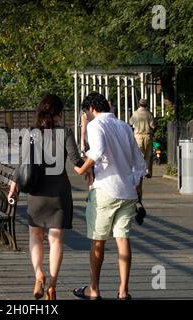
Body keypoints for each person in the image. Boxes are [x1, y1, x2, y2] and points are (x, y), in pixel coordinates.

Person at [8, 94, 85, 300]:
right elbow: (77, 161)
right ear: (59, 112)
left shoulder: (32, 133)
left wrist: (13, 186)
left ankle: (38, 274)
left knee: (35, 236)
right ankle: (52, 284)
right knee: (56, 240)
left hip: (37, 193)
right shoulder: (66, 132)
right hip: (59, 192)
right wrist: (92, 167)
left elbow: (21, 164)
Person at [72, 93, 145, 300]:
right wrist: (138, 187)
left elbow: (97, 151)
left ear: (91, 109)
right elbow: (139, 162)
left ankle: (93, 289)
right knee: (123, 239)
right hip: (127, 190)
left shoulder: (96, 126)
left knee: (98, 240)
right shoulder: (124, 126)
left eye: (86, 112)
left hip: (105, 189)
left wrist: (82, 169)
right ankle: (123, 290)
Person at [129, 98, 155, 178]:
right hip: (147, 136)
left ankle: (139, 172)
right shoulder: (149, 114)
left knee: (139, 155)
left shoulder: (135, 113)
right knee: (148, 155)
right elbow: (153, 126)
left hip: (138, 136)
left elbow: (130, 123)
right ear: (146, 105)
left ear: (139, 104)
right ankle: (147, 171)